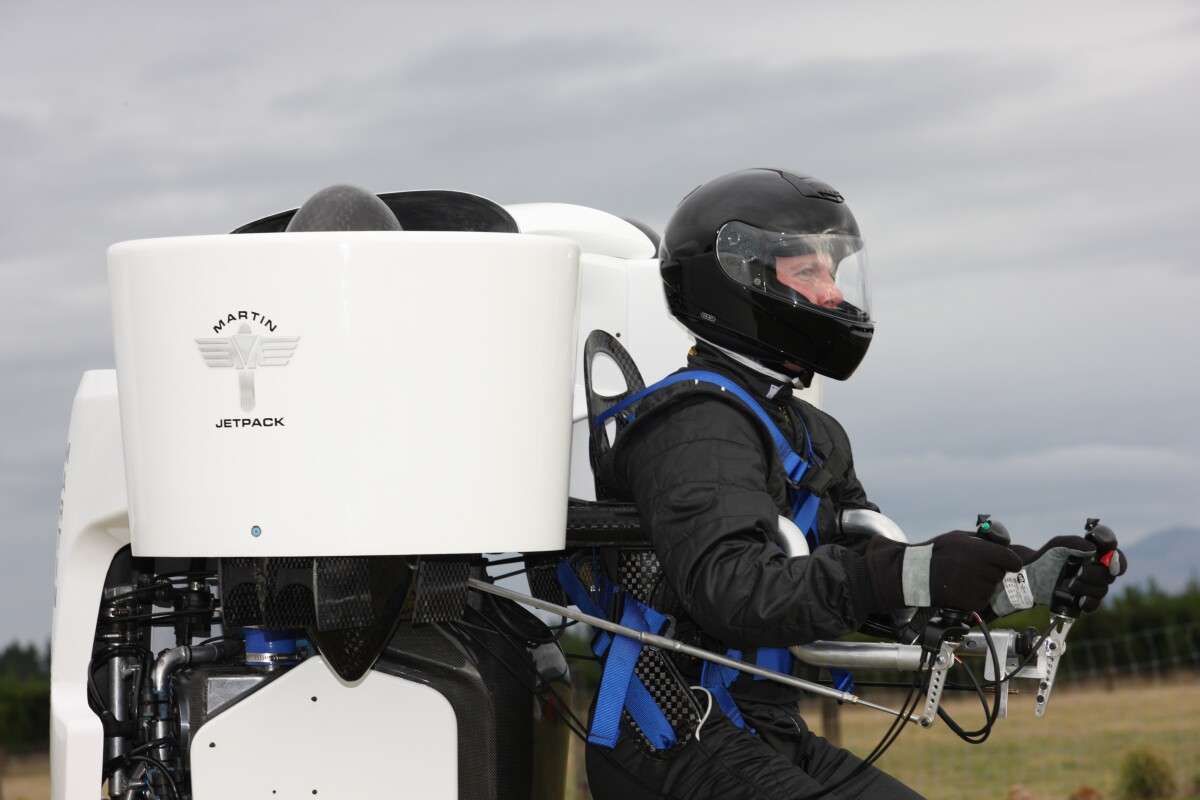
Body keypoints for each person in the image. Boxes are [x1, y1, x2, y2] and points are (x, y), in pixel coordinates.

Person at [583, 168, 1126, 799]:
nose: (833, 294)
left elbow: (864, 584)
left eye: (834, 273)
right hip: (667, 735)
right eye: (808, 274)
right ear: (742, 278)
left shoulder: (810, 432)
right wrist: (897, 572)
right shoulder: (695, 425)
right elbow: (731, 590)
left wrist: (1019, 579)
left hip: (753, 724)